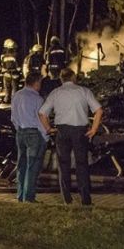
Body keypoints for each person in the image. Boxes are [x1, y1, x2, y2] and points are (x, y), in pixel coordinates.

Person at [39, 68, 103, 206]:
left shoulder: (56, 93)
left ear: (61, 79)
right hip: (80, 131)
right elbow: (98, 110)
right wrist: (94, 129)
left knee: (63, 165)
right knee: (82, 164)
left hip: (62, 131)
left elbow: (42, 113)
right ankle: (85, 199)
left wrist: (48, 128)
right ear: (74, 77)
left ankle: (67, 199)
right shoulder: (84, 91)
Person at [10, 72, 49, 202]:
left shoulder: (16, 95)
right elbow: (40, 120)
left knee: (21, 165)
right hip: (34, 134)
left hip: (20, 133)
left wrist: (19, 129)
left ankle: (20, 195)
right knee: (32, 166)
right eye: (40, 83)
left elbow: (13, 117)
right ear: (36, 83)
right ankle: (29, 197)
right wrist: (45, 136)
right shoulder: (38, 99)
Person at [0, 38, 20, 102]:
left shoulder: (4, 56)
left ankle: (6, 99)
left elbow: (3, 66)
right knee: (14, 88)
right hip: (14, 75)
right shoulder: (15, 56)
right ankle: (14, 101)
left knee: (7, 88)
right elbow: (18, 67)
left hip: (6, 74)